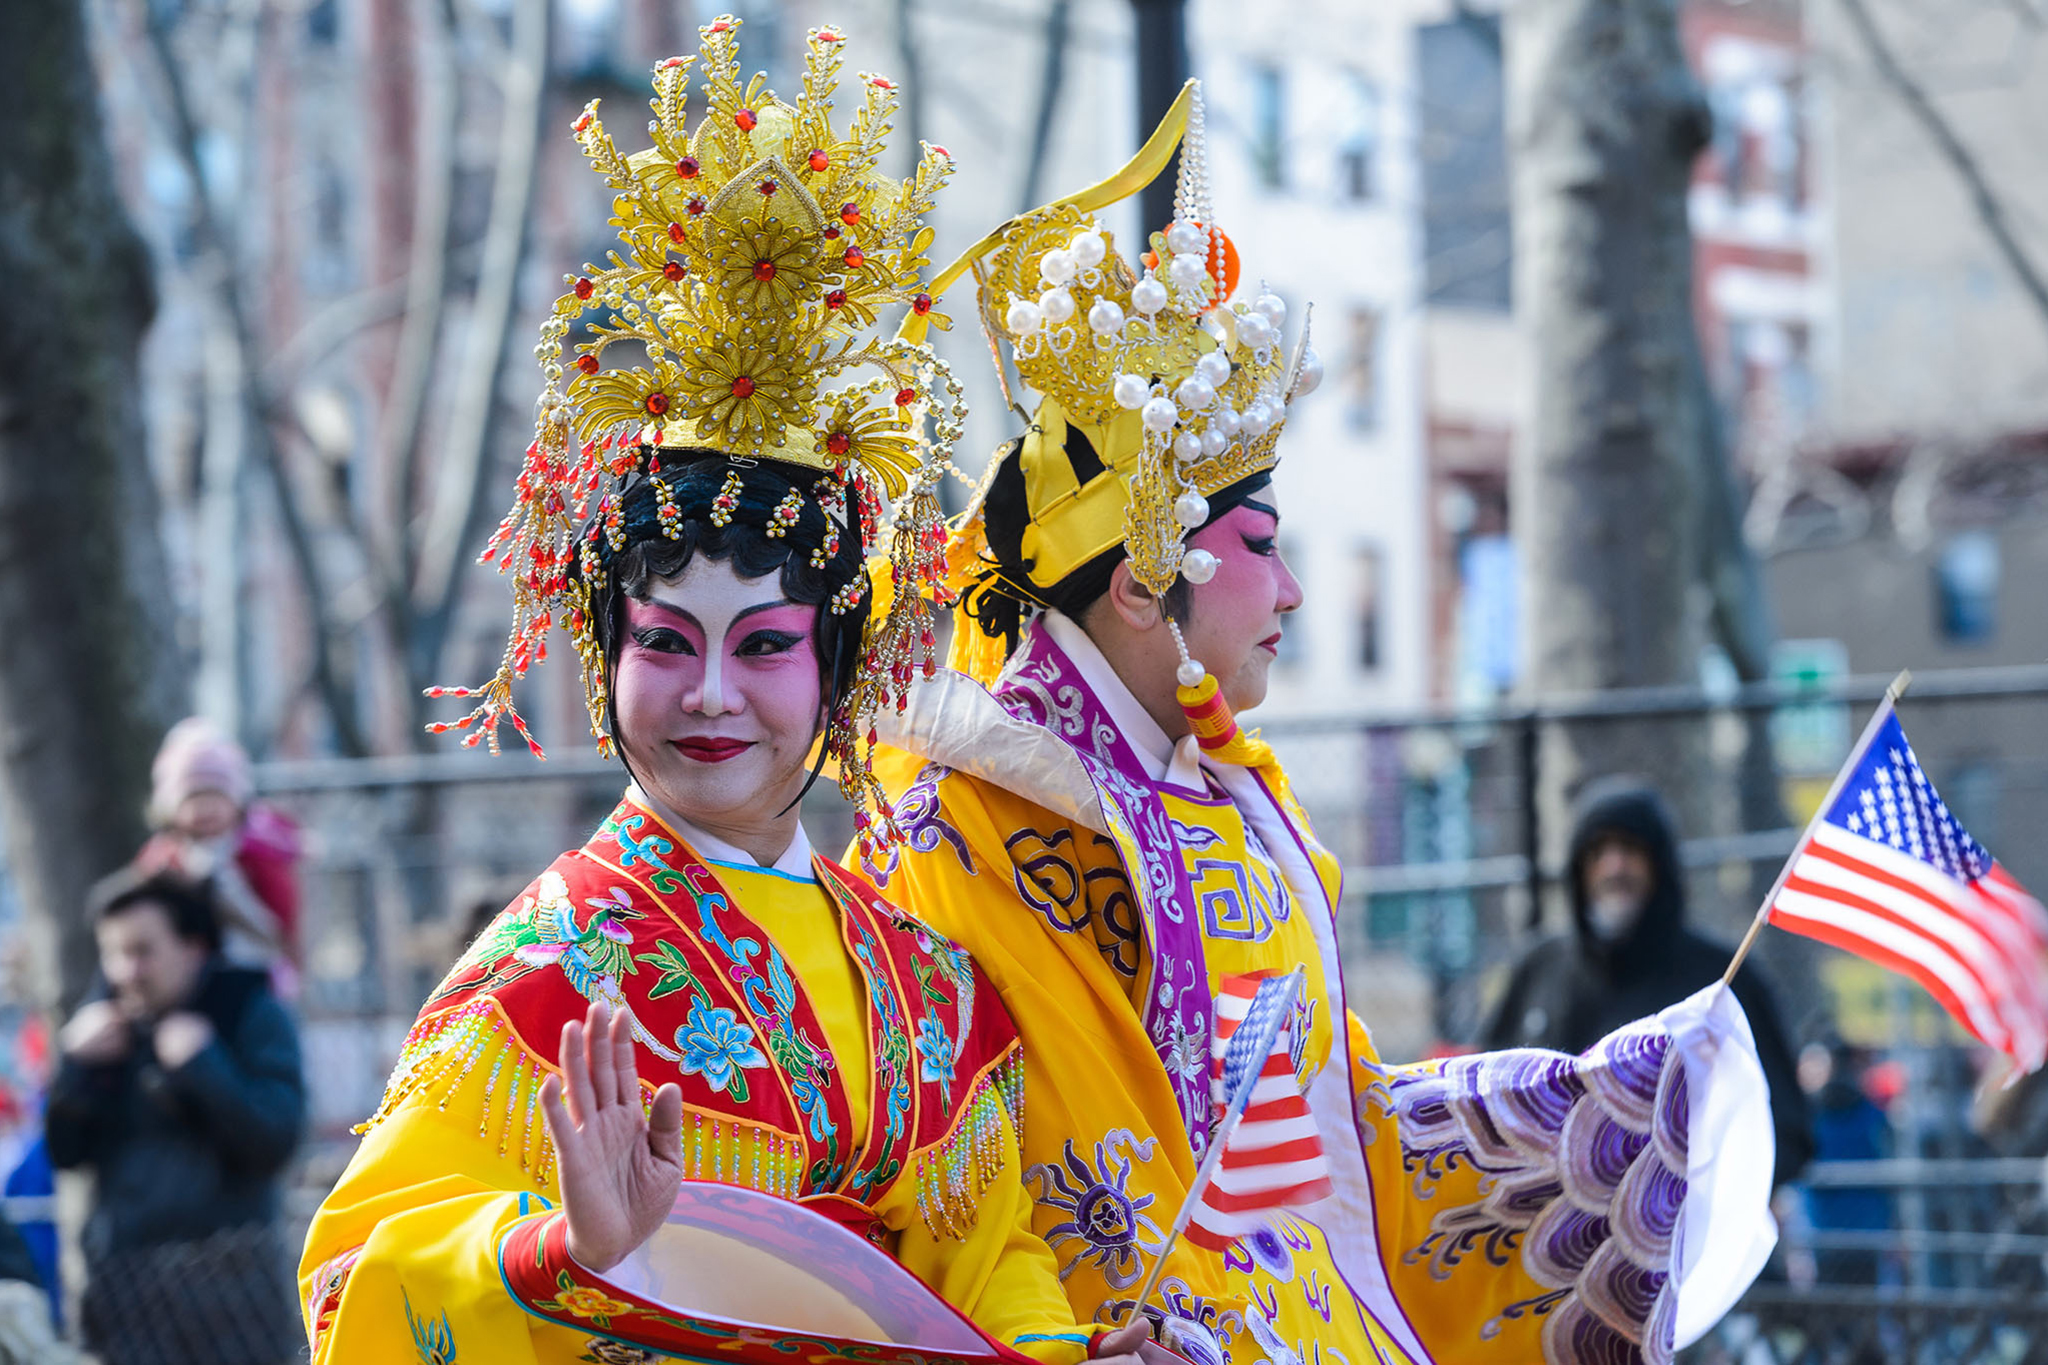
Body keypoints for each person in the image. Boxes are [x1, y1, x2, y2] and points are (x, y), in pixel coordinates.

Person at [860, 83, 1778, 1365]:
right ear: (1137, 582)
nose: (1291, 590)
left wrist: (1588, 1106)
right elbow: (1000, 1181)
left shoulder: (1233, 801)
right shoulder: (952, 829)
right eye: (1261, 548)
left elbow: (1330, 1135)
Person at [299, 21, 1160, 1365]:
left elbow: (994, 1261)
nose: (711, 695)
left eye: (763, 645)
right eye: (665, 642)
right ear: (607, 659)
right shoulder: (547, 982)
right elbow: (356, 1278)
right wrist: (556, 1250)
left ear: (840, 664)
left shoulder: (927, 984)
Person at [1481, 778, 1814, 1183]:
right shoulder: (1539, 970)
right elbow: (1487, 1108)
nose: (1614, 867)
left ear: (1660, 863)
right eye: (1597, 852)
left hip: (1682, 1230)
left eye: (1631, 850)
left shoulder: (1721, 979)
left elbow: (1783, 1128)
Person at [47, 868, 305, 1365]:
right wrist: (74, 1070)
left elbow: (276, 1139)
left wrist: (204, 1067)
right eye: (114, 954)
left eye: (143, 951)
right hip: (125, 1293)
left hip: (233, 1296)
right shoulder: (101, 1032)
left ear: (194, 947)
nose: (126, 972)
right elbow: (64, 1153)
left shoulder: (249, 1012)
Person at [136, 716, 303, 986]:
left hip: (254, 969)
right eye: (193, 799)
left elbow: (281, 918)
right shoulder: (165, 857)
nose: (205, 809)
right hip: (187, 974)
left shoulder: (256, 853)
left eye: (215, 796)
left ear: (237, 802)